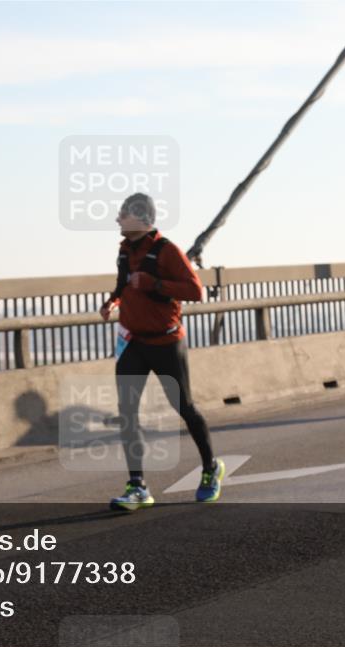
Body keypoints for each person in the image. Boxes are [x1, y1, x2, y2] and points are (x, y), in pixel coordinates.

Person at [99, 193, 224, 510]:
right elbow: (123, 284)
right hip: (134, 343)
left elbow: (195, 291)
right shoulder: (124, 251)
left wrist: (155, 284)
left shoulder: (168, 252)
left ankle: (211, 469)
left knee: (184, 406)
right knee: (127, 414)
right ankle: (137, 487)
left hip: (167, 343)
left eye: (122, 215)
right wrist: (113, 301)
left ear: (140, 219)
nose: (117, 220)